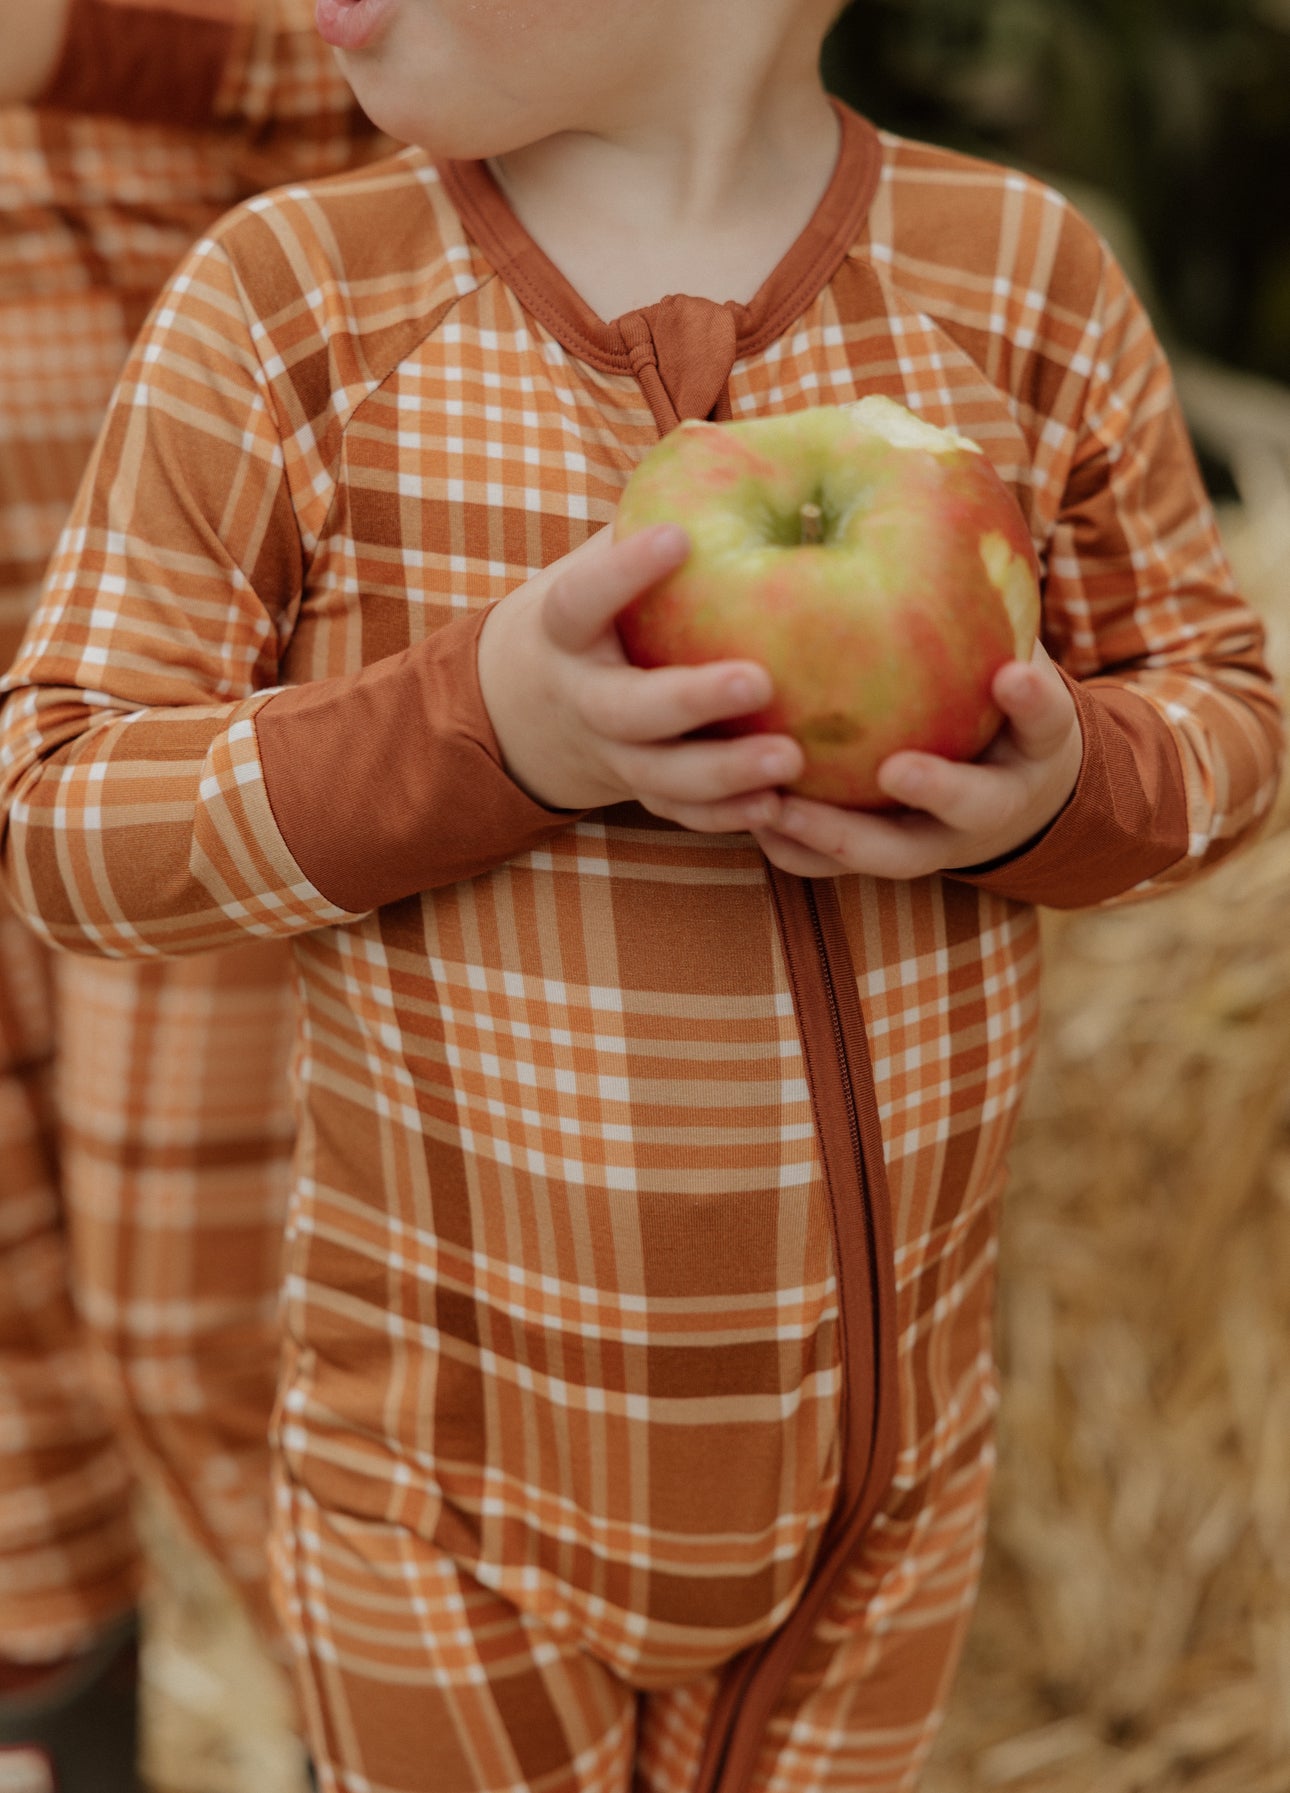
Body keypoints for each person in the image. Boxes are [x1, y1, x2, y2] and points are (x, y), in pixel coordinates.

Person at [0, 0, 1281, 1788]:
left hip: (879, 1508)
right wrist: (493, 726)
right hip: (441, 1499)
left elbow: (1224, 722)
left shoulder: (1020, 280)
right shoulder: (297, 302)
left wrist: (1059, 792)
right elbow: (60, 812)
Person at [0, 3, 388, 1787]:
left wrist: (79, 41)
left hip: (191, 665)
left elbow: (466, 65)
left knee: (207, 1323)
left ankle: (404, 1728)